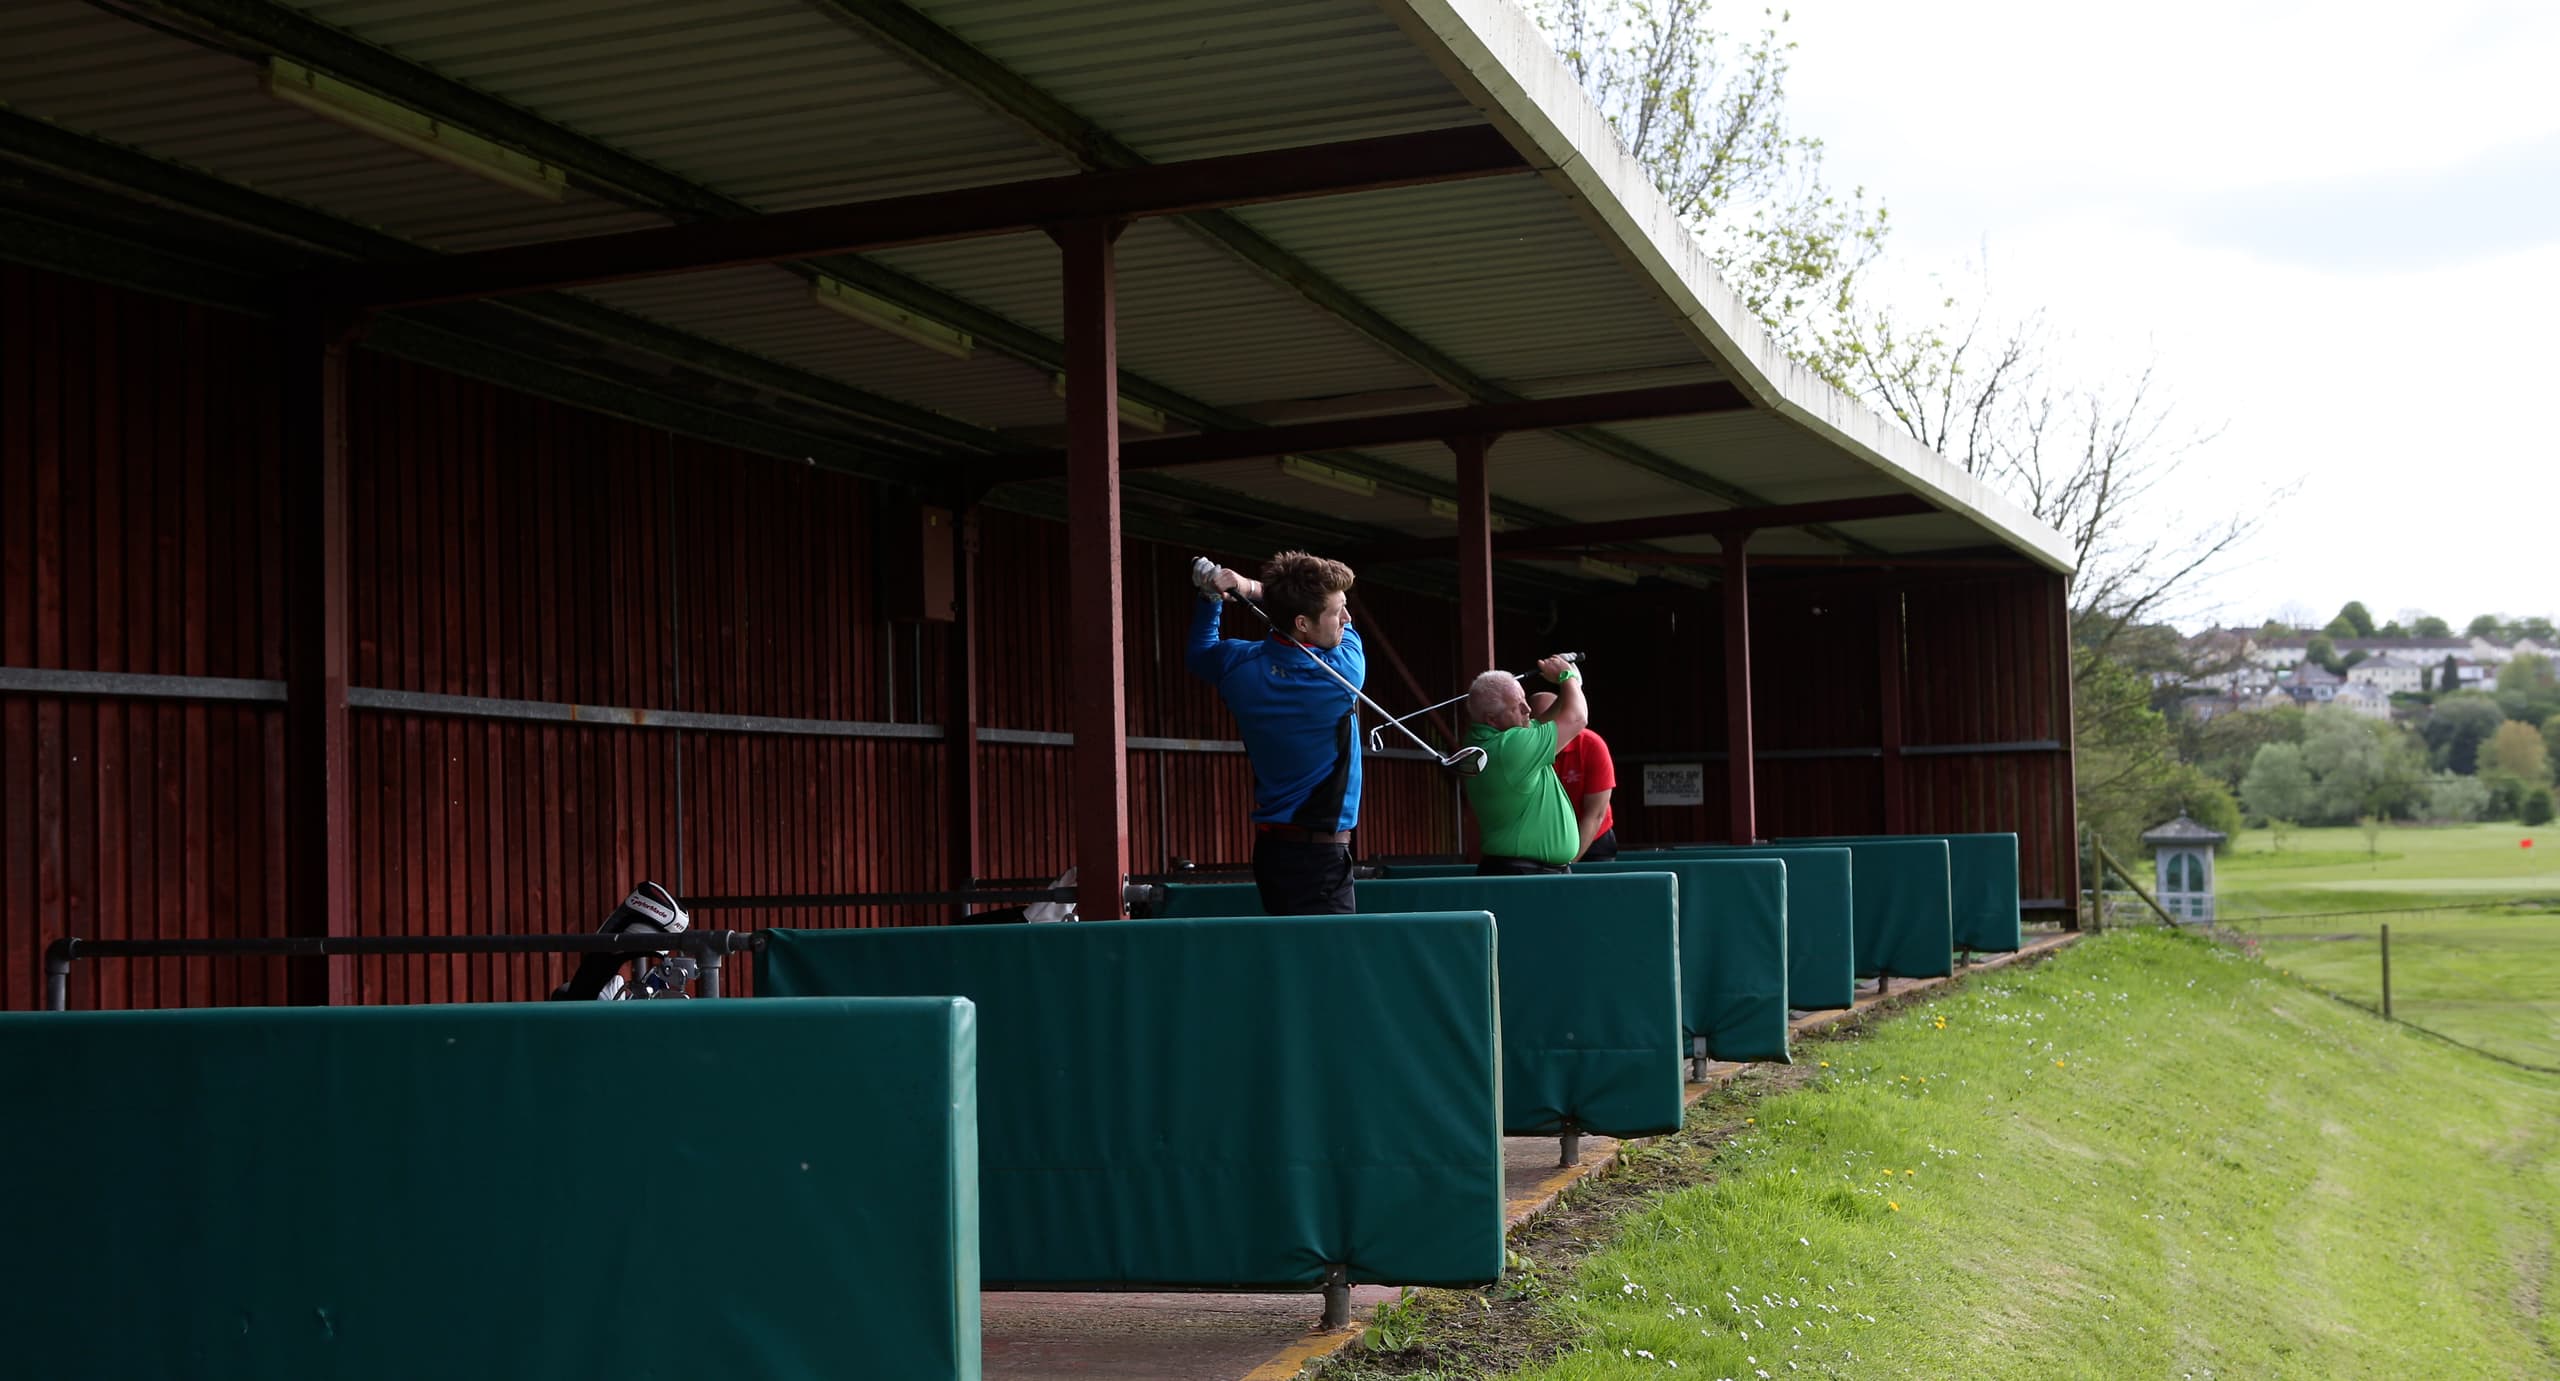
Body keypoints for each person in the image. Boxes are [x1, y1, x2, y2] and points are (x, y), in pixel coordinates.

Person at [1185, 550, 1365, 914]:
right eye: (1337, 611)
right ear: (1301, 623)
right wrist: (1248, 588)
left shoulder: (1238, 665)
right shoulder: (1340, 674)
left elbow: (1200, 652)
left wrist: (1210, 599)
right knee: (1328, 968)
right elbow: (1346, 635)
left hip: (1272, 854)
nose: (1345, 618)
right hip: (1321, 859)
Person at [1459, 655, 1586, 875]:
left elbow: (1544, 721)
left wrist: (1573, 684)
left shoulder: (1488, 739)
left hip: (1519, 868)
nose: (1528, 709)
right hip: (1524, 873)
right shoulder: (1510, 748)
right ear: (1491, 719)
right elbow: (1577, 718)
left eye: (1524, 700)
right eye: (1517, 707)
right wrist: (1567, 677)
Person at [1530, 691, 1619, 862]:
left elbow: (1594, 815)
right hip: (1544, 840)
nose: (1544, 732)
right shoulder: (1525, 749)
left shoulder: (1592, 745)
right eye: (1538, 725)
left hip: (1591, 838)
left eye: (1551, 723)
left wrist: (1568, 864)